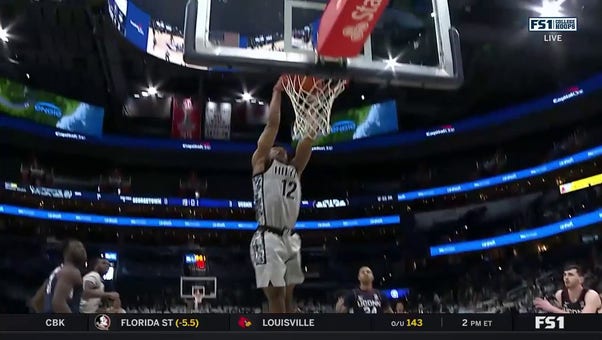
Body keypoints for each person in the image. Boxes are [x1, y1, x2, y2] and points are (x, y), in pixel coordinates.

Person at [249, 77, 316, 313]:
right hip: (267, 236)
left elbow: (307, 140)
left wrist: (315, 106)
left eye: (282, 148)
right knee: (276, 296)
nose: (278, 147)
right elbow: (272, 126)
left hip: (289, 237)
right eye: (274, 147)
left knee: (289, 299)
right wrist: (277, 91)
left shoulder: (294, 169)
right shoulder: (261, 163)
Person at [31, 239, 87, 313]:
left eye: (82, 247)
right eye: (78, 247)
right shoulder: (71, 271)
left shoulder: (56, 272)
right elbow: (58, 303)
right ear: (66, 253)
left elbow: (36, 301)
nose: (82, 250)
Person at [533, 264, 602, 313]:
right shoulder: (560, 294)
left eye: (570, 275)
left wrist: (551, 308)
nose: (566, 277)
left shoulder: (591, 295)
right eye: (564, 275)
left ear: (581, 279)